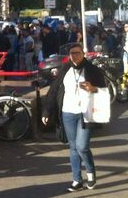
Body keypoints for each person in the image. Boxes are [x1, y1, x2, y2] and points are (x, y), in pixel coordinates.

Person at [42, 43, 106, 192]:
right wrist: (47, 111)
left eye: (77, 53)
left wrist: (93, 89)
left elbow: (103, 90)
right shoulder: (65, 69)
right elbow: (53, 90)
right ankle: (77, 180)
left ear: (83, 54)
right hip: (68, 112)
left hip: (85, 112)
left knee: (82, 146)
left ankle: (90, 174)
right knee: (73, 147)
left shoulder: (92, 70)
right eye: (71, 53)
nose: (74, 56)